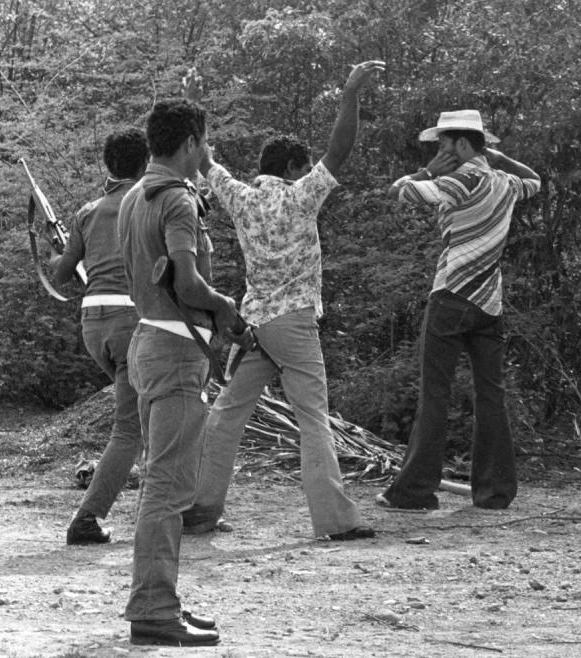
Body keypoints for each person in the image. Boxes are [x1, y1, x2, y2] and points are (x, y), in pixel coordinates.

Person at [180, 61, 385, 541]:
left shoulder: (241, 198)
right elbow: (340, 150)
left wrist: (194, 106)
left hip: (254, 325)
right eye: (303, 165)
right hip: (292, 324)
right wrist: (350, 93)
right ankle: (335, 521)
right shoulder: (299, 197)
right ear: (294, 169)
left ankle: (201, 508)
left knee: (228, 413)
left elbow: (206, 160)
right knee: (312, 418)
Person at [118, 97, 242, 647]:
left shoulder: (131, 198)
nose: (205, 154)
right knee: (168, 488)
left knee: (163, 482)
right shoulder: (178, 201)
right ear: (191, 142)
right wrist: (226, 306)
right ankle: (154, 609)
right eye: (204, 144)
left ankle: (160, 600)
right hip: (174, 348)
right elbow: (188, 284)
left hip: (148, 341)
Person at [377, 110, 541, 511]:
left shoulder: (461, 179)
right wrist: (498, 158)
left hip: (451, 295)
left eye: (444, 144)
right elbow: (535, 180)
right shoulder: (505, 182)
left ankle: (414, 492)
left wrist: (424, 170)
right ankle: (495, 492)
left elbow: (400, 192)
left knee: (435, 395)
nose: (440, 151)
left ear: (463, 144)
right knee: (491, 396)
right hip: (489, 301)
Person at [48, 129, 147, 545]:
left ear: (108, 165)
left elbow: (60, 273)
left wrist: (55, 248)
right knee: (129, 430)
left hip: (94, 324)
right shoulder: (147, 200)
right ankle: (87, 519)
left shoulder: (88, 211)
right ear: (146, 163)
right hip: (132, 320)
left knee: (142, 415)